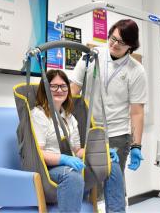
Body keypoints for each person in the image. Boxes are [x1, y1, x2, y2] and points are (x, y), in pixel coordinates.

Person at [31, 69, 125, 213]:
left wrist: (102, 154)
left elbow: (76, 151)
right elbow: (39, 153)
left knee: (112, 166)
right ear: (45, 89)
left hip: (72, 166)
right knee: (72, 175)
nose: (59, 90)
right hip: (49, 170)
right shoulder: (39, 115)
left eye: (63, 86)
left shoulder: (69, 117)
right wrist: (63, 159)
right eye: (54, 86)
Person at [70, 19, 147, 173]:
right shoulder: (91, 57)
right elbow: (72, 91)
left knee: (114, 179)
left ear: (131, 45)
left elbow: (137, 112)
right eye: (113, 38)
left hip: (117, 133)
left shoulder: (136, 70)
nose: (115, 44)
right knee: (87, 180)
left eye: (122, 42)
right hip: (87, 130)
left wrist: (136, 145)